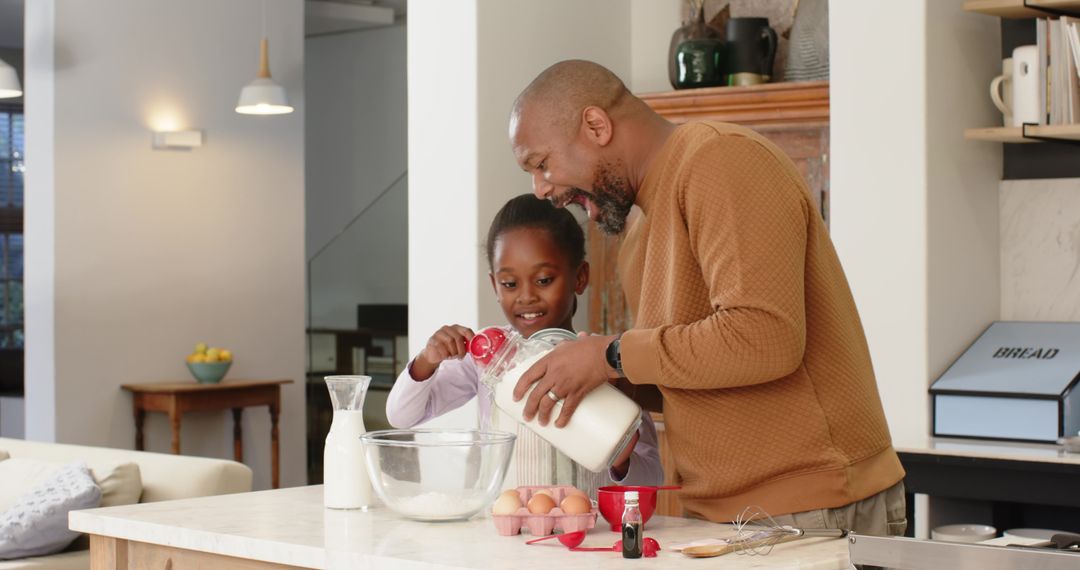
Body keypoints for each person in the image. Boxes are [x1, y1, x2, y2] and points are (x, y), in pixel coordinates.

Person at [505, 60, 906, 536]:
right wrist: (610, 376)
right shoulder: (637, 231)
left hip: (813, 508)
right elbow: (697, 371)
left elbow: (765, 337)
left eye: (542, 164)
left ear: (596, 125)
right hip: (720, 516)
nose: (542, 189)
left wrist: (613, 354)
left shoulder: (721, 159)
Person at [386, 193, 663, 495]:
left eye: (544, 280)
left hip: (586, 538)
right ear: (494, 285)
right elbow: (402, 416)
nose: (526, 296)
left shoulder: (604, 362)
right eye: (509, 284)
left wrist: (620, 461)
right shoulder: (487, 358)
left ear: (580, 278)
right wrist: (428, 359)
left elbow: (653, 481)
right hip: (504, 535)